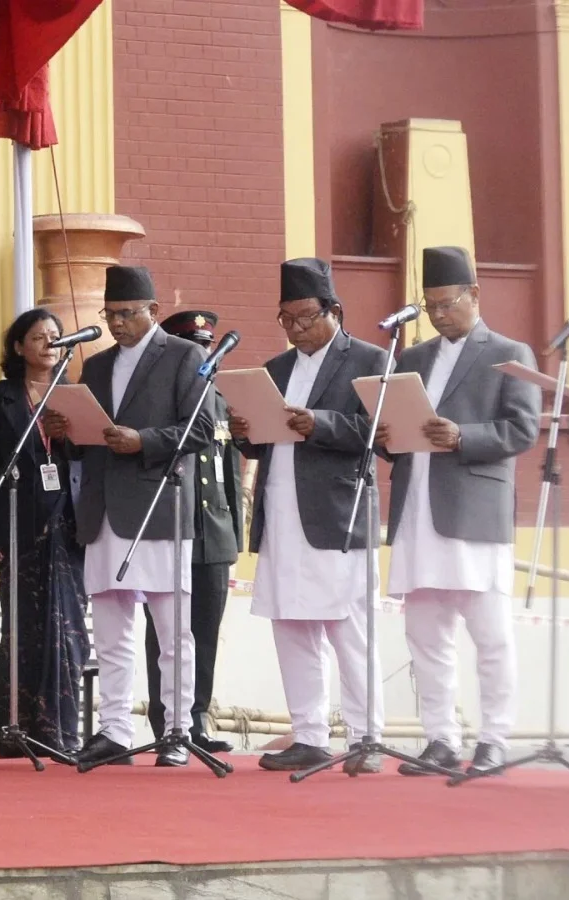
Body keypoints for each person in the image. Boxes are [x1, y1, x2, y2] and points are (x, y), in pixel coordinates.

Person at [380, 247, 540, 777]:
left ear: (474, 294)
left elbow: (522, 429)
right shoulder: (412, 359)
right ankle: (440, 739)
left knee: (490, 636)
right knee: (426, 636)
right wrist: (386, 436)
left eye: (447, 303)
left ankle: (494, 739)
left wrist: (462, 436)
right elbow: (395, 432)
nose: (439, 315)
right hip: (417, 511)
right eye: (430, 306)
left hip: (474, 514)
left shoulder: (509, 353)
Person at [50, 265, 212, 768]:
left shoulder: (185, 355)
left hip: (158, 508)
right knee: (111, 633)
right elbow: (86, 443)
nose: (117, 323)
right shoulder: (96, 366)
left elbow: (201, 429)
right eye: (110, 314)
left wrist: (143, 440)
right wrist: (66, 432)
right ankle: (115, 731)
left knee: (172, 633)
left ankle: (178, 730)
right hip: (103, 512)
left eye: (126, 313)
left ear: (153, 310)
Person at [230, 258, 387, 774]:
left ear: (333, 311)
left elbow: (380, 433)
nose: (295, 328)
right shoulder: (276, 369)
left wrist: (319, 424)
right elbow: (262, 444)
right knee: (292, 626)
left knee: (349, 631)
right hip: (281, 513)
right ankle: (310, 735)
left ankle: (366, 738)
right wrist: (244, 432)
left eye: (304, 317)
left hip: (337, 516)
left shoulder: (369, 359)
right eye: (286, 318)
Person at [0, 308, 90, 757]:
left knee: (67, 628)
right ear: (19, 346)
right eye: (39, 337)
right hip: (19, 524)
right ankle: (14, 729)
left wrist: (69, 435)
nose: (49, 344)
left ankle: (59, 731)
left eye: (55, 336)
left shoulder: (76, 394)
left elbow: (90, 456)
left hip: (69, 524)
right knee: (23, 627)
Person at [142, 310, 242, 754]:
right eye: (194, 349)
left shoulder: (219, 400)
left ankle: (197, 718)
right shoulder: (162, 401)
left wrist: (234, 536)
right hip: (171, 529)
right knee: (165, 634)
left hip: (213, 534)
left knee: (204, 631)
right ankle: (167, 721)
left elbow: (229, 473)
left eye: (207, 348)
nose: (203, 356)